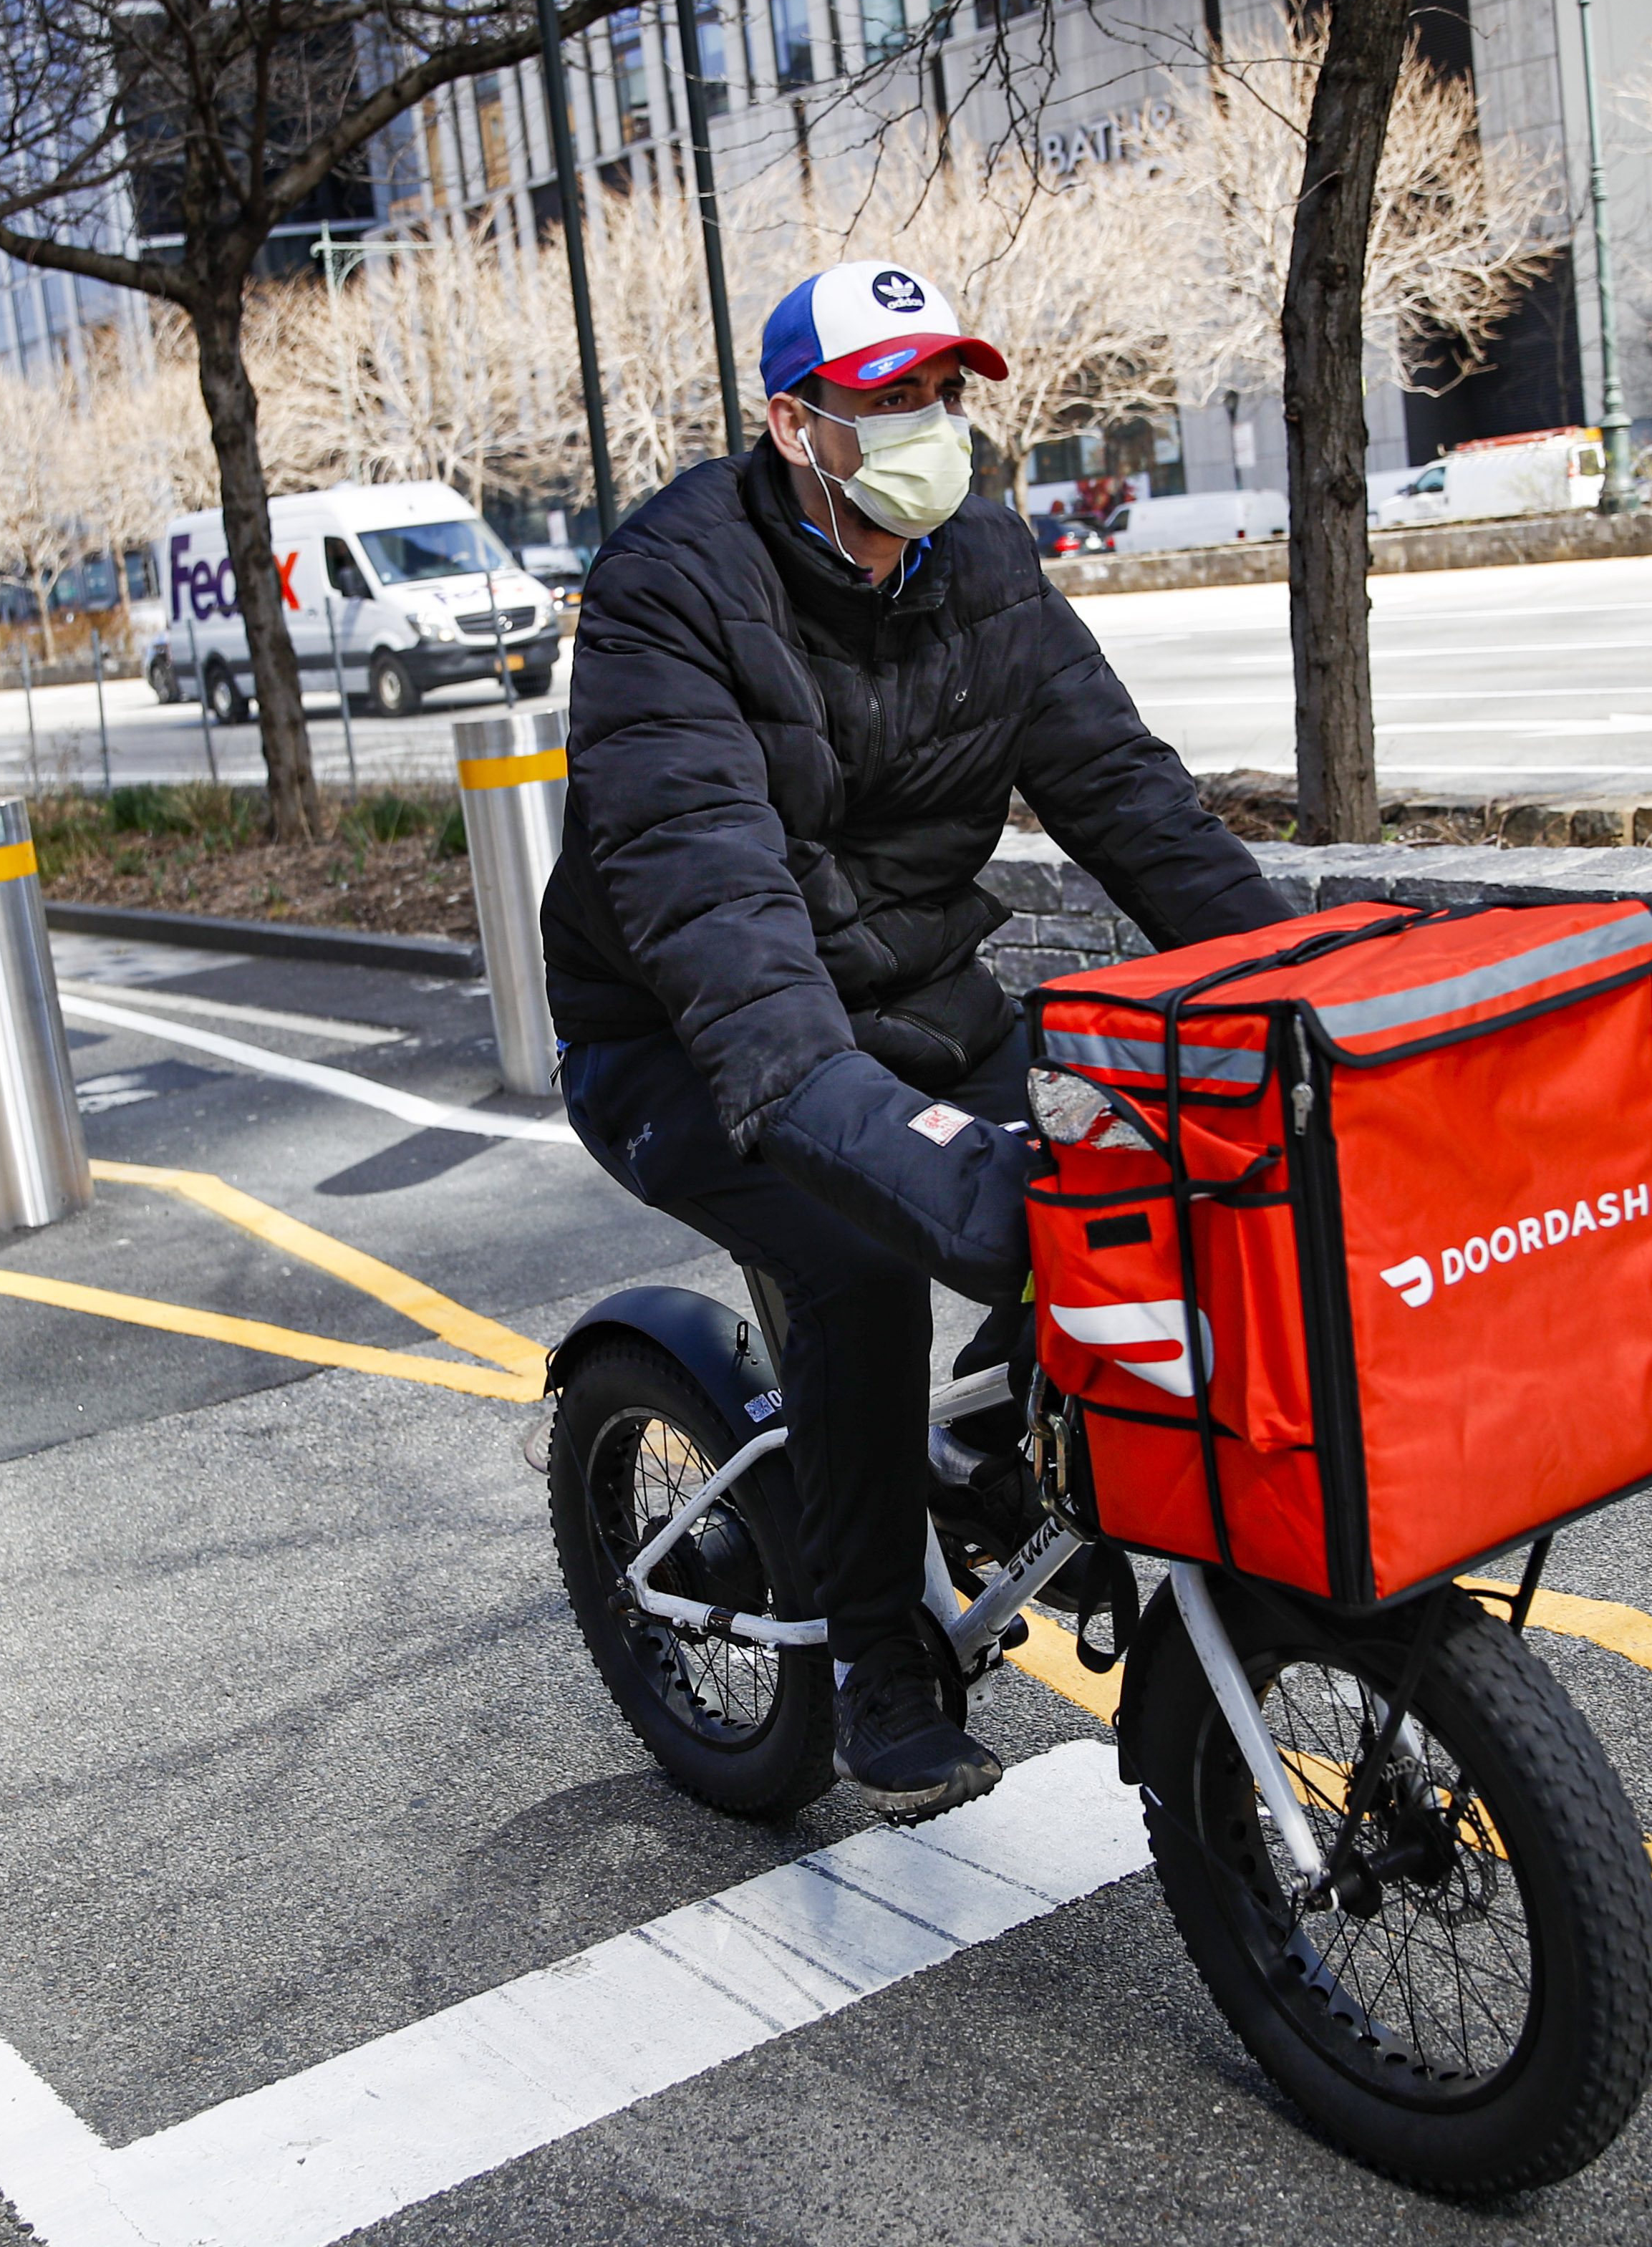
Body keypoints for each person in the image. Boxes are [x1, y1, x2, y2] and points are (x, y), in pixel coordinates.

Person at [544, 260, 1295, 1818]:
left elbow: (1134, 804)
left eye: (945, 393)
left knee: (1139, 1159)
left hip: (918, 1003)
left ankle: (1000, 1456)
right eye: (889, 398)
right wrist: (891, 1148)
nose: (933, 426)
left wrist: (1298, 995)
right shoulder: (667, 590)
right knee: (861, 1254)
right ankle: (879, 1652)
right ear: (793, 426)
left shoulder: (986, 562)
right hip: (683, 1040)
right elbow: (718, 916)